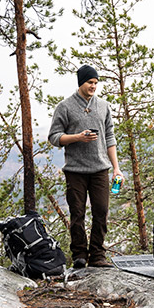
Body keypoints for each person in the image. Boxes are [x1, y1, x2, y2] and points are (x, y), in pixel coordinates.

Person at [48, 64, 124, 269]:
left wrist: (116, 168)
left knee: (101, 210)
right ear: (81, 82)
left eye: (96, 83)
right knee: (77, 213)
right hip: (75, 171)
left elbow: (110, 137)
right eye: (90, 82)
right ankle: (80, 255)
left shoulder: (104, 106)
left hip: (101, 169)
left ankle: (98, 255)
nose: (93, 86)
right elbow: (54, 137)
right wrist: (77, 138)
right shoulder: (64, 107)